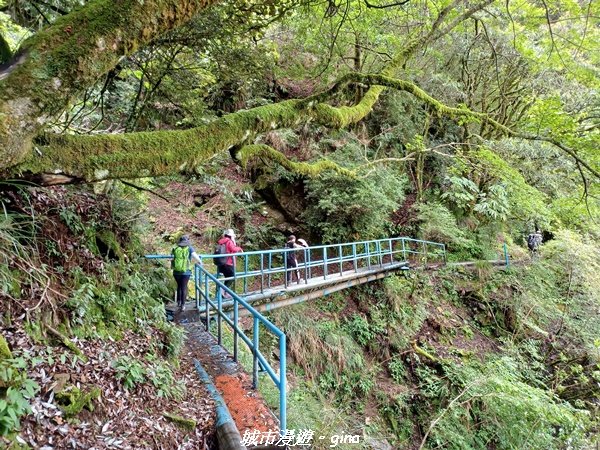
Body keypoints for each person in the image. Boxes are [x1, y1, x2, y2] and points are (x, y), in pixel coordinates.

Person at [171, 235, 201, 311]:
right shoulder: (189, 248)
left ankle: (178, 302)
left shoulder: (175, 248)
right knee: (184, 287)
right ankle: (183, 305)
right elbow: (196, 257)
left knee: (179, 286)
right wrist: (200, 262)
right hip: (186, 272)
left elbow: (171, 258)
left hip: (176, 272)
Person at [215, 229, 243, 297]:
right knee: (232, 276)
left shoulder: (221, 241)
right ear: (231, 236)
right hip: (228, 263)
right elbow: (233, 249)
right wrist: (239, 248)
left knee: (227, 277)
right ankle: (223, 290)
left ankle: (224, 292)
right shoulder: (229, 241)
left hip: (221, 263)